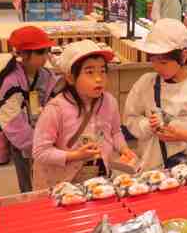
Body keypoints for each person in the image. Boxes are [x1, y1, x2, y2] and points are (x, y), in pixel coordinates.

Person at [32, 40, 136, 190]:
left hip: (99, 175)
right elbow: (40, 152)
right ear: (70, 78)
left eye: (102, 71)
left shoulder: (109, 102)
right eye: (89, 72)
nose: (99, 78)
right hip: (63, 183)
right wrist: (75, 156)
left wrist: (124, 149)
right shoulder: (56, 109)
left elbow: (115, 132)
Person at [124, 19, 187, 171]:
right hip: (151, 167)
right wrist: (148, 126)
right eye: (153, 60)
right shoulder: (146, 83)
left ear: (183, 57)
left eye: (163, 62)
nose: (157, 68)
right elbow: (130, 118)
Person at [0, 26, 59, 193]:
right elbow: (12, 122)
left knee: (47, 184)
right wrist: (39, 146)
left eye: (47, 51)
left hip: (46, 141)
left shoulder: (45, 75)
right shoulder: (11, 82)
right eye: (40, 52)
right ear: (23, 54)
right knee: (29, 187)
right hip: (25, 145)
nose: (46, 57)